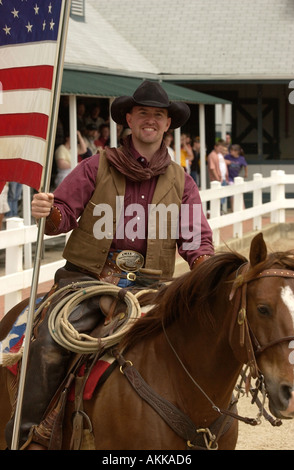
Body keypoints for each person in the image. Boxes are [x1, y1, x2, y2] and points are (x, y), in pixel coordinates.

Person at [5, 80, 214, 450]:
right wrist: (47, 212)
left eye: (159, 115)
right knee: (50, 343)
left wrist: (207, 268)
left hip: (151, 288)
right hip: (87, 282)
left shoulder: (182, 182)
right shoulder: (95, 167)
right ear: (129, 120)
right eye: (143, 113)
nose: (151, 120)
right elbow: (63, 215)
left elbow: (196, 241)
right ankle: (28, 437)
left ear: (168, 124)